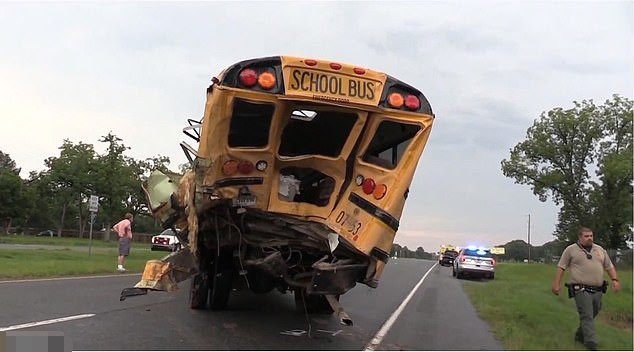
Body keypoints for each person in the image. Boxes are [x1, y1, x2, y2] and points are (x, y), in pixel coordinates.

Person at [551, 227, 621, 350]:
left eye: (591, 236)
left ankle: (579, 335)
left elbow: (609, 266)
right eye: (586, 236)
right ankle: (591, 343)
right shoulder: (571, 250)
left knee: (594, 311)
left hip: (598, 289)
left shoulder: (599, 250)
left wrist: (615, 280)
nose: (589, 238)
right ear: (579, 237)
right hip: (580, 289)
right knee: (587, 315)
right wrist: (556, 284)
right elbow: (561, 267)